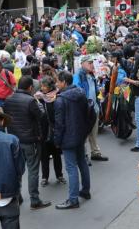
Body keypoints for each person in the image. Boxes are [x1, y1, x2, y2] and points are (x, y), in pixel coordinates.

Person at [3, 76, 51, 210]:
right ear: (30, 87)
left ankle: (17, 196)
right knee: (33, 170)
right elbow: (41, 116)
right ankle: (34, 200)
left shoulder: (8, 99)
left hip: (14, 140)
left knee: (17, 170)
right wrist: (39, 104)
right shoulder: (30, 101)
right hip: (31, 140)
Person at [54, 71, 91, 210]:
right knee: (82, 162)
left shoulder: (61, 99)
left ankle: (73, 199)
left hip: (68, 138)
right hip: (80, 135)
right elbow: (87, 114)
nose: (57, 84)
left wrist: (57, 141)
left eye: (58, 81)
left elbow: (59, 124)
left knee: (71, 168)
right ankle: (86, 190)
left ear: (64, 82)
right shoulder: (80, 93)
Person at [73, 55, 108, 161]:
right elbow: (77, 90)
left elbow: (94, 89)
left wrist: (99, 90)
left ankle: (95, 152)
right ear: (82, 64)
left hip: (94, 107)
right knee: (84, 133)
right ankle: (83, 154)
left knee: (94, 132)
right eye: (90, 63)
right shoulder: (78, 75)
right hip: (85, 109)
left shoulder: (91, 75)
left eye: (92, 62)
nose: (92, 65)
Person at [34, 76, 65, 186]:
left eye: (44, 86)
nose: (42, 88)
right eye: (41, 86)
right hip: (43, 130)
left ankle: (59, 175)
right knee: (44, 155)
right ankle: (45, 177)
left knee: (56, 154)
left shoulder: (57, 96)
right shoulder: (38, 97)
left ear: (50, 86)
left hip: (55, 129)